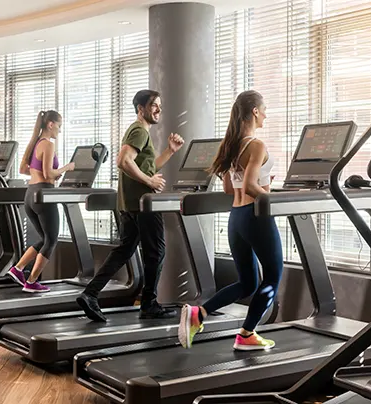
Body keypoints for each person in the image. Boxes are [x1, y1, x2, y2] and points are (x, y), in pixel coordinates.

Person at [178, 90, 283, 351]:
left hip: (236, 218)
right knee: (272, 277)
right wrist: (274, 199)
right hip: (256, 217)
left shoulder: (232, 145)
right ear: (255, 111)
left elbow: (229, 188)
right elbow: (249, 185)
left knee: (247, 283)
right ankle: (247, 334)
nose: (266, 114)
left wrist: (263, 184)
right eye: (265, 109)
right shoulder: (256, 145)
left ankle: (199, 314)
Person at [76, 89, 184, 322]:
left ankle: (90, 294)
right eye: (154, 105)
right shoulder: (139, 130)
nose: (158, 109)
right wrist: (149, 182)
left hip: (130, 204)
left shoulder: (139, 132)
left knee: (124, 250)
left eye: (160, 106)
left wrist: (169, 152)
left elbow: (146, 166)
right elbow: (123, 161)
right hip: (143, 205)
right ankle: (149, 303)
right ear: (140, 108)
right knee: (157, 252)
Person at [6, 110, 75, 293]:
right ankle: (31, 281)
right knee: (51, 240)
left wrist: (43, 174)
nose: (59, 131)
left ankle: (18, 268)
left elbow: (23, 169)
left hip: (30, 195)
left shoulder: (34, 143)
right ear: (50, 124)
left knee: (44, 238)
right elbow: (48, 174)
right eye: (59, 126)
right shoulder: (48, 144)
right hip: (44, 195)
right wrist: (66, 168)